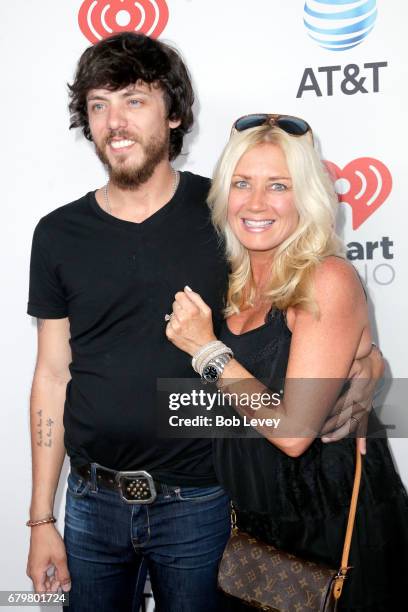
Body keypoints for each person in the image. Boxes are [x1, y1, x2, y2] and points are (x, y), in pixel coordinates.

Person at [25, 33, 382, 612]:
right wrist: (42, 515)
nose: (115, 121)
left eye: (135, 100)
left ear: (174, 115)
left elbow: (308, 301)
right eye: (99, 104)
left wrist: (368, 362)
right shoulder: (58, 234)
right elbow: (50, 374)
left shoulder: (229, 215)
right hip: (90, 502)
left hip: (203, 503)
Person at [165, 116, 408, 610]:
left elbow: (294, 433)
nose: (256, 203)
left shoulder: (325, 279)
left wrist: (207, 351)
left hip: (331, 527)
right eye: (242, 184)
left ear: (307, 198)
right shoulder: (229, 283)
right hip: (252, 525)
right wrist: (370, 361)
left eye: (279, 185)